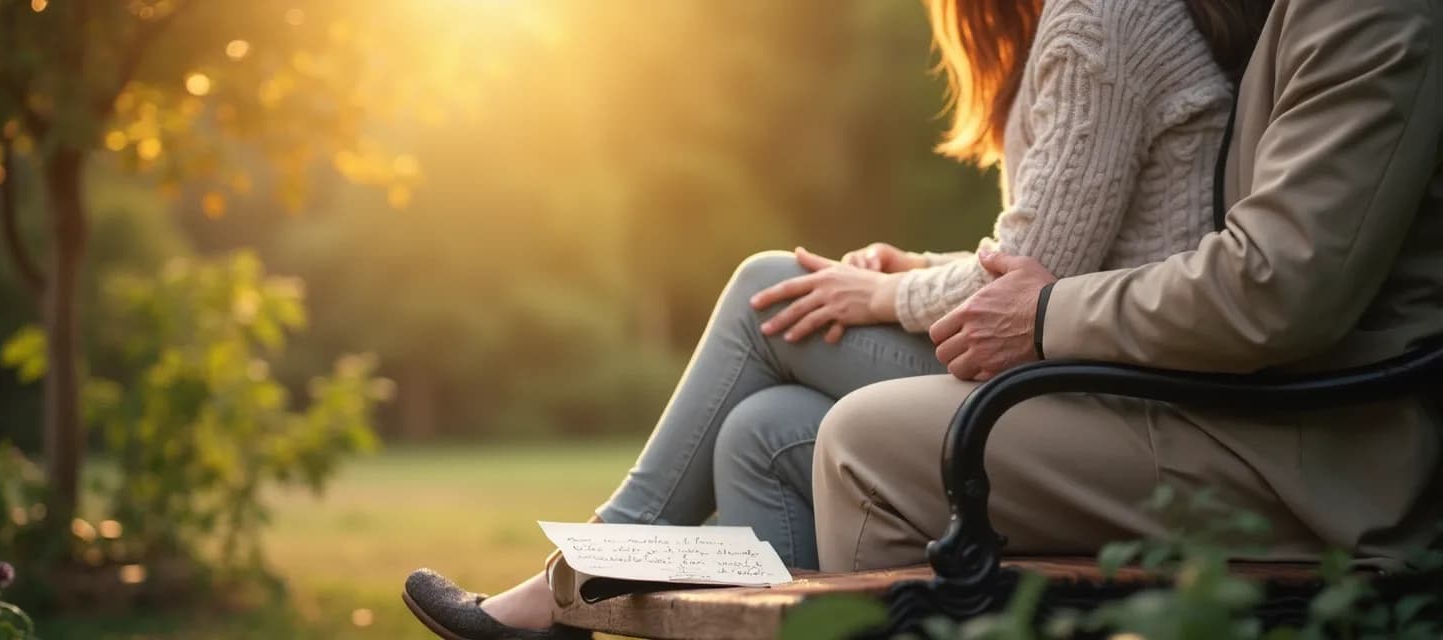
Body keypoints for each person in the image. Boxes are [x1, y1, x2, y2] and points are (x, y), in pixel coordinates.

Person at [402, 0, 1263, 636]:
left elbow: (1031, 282)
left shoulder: (1101, 18)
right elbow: (1046, 255)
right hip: (1069, 370)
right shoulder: (1088, 20)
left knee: (765, 289)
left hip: (1100, 391)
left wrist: (882, 296)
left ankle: (578, 576)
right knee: (762, 430)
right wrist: (916, 268)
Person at [813, 0, 1443, 573]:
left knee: (859, 438)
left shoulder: (1365, 10)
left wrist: (1043, 317)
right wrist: (924, 271)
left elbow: (1276, 290)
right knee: (776, 425)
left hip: (1314, 453)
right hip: (1245, 398)